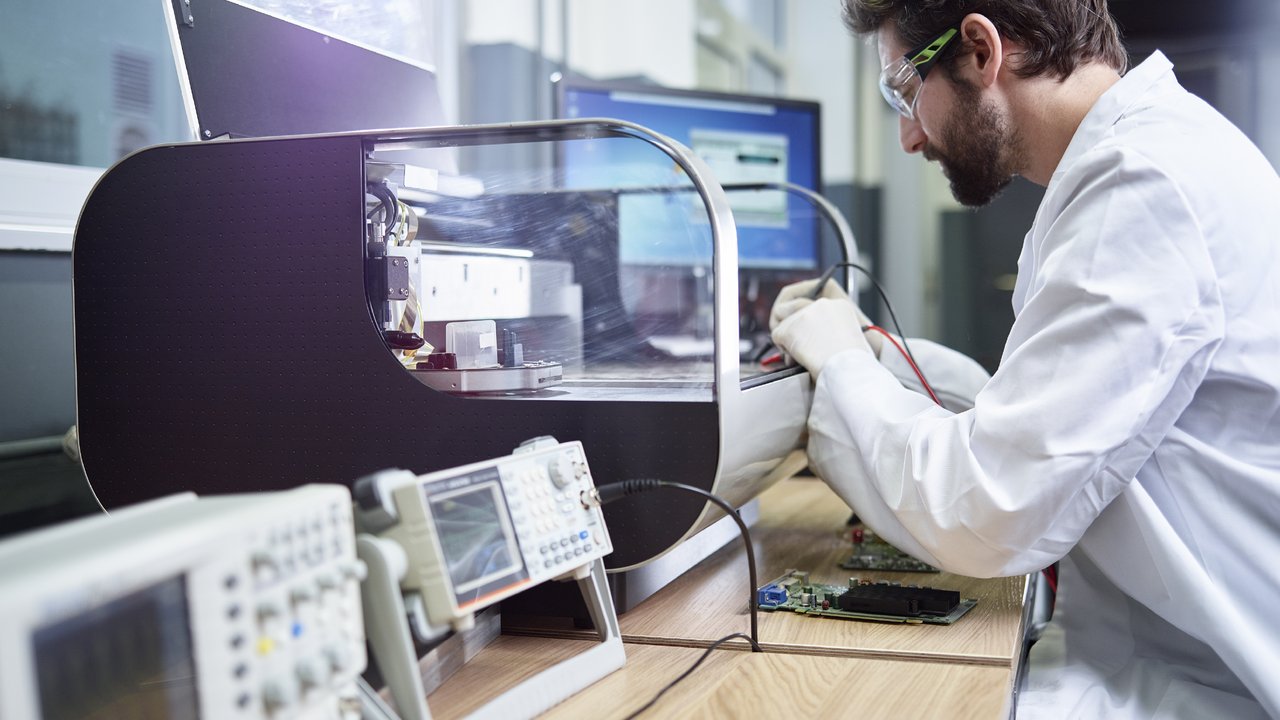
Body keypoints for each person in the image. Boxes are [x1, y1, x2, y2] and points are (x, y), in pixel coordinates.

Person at [769, 1, 1280, 718]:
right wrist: (884, 362)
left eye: (904, 89)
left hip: (1198, 682)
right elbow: (1058, 420)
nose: (909, 134)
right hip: (1160, 642)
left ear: (980, 50)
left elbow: (988, 509)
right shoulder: (1139, 158)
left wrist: (844, 370)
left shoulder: (1142, 186)